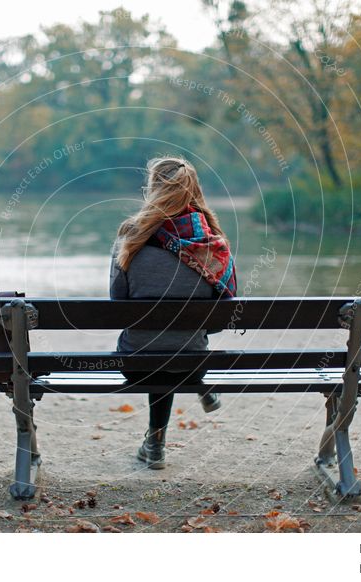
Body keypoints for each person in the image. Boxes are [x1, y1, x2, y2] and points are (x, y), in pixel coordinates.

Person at [109, 156, 237, 469]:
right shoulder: (212, 243)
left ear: (152, 190)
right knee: (176, 350)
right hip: (192, 364)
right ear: (195, 191)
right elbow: (224, 315)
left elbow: (117, 303)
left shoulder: (132, 236)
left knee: (156, 348)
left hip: (136, 363)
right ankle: (193, 394)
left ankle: (155, 445)